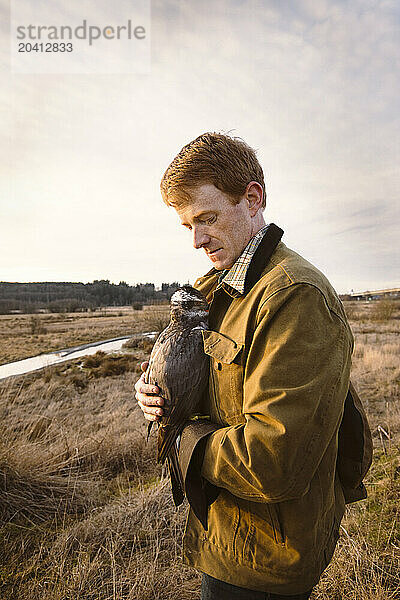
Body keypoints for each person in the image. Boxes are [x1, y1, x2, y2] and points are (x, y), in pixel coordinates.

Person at [135, 132, 371, 600]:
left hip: (266, 554)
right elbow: (216, 379)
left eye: (207, 218)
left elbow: (273, 461)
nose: (198, 240)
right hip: (226, 530)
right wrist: (158, 389)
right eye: (188, 227)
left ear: (252, 198)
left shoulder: (293, 295)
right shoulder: (218, 288)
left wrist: (180, 438)